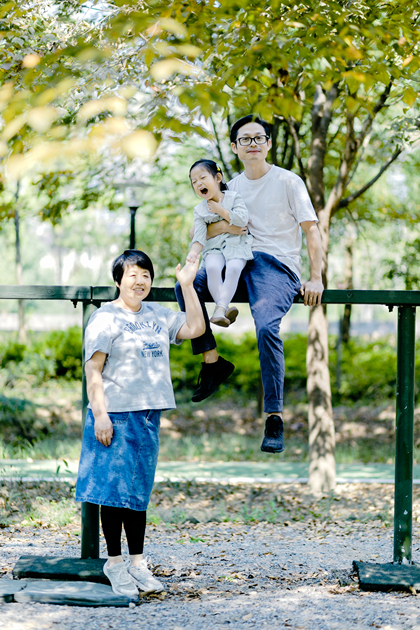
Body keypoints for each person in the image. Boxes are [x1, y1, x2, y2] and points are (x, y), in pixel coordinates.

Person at [175, 115, 324, 454]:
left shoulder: (289, 182)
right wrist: (227, 229)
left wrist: (316, 277)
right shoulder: (229, 188)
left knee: (266, 327)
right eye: (245, 139)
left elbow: (311, 229)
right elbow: (203, 230)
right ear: (234, 147)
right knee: (185, 285)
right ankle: (212, 362)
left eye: (259, 138)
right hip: (234, 258)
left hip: (276, 265)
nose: (253, 143)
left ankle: (274, 416)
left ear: (268, 144)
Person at [75, 249, 204, 599]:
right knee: (113, 494)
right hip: (115, 414)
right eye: (132, 274)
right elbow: (93, 370)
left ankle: (137, 563)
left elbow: (196, 327)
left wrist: (187, 285)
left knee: (137, 494)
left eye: (145, 275)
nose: (140, 281)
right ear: (119, 280)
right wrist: (100, 415)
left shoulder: (158, 315)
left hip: (148, 415)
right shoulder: (105, 318)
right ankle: (114, 563)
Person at [187, 159, 253, 327]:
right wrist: (193, 254)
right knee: (212, 268)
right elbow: (199, 236)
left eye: (202, 178)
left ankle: (220, 309)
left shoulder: (234, 197)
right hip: (214, 248)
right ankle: (221, 311)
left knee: (234, 267)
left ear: (217, 178)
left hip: (237, 245)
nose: (198, 183)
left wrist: (220, 211)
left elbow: (242, 220)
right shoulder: (199, 210)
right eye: (194, 182)